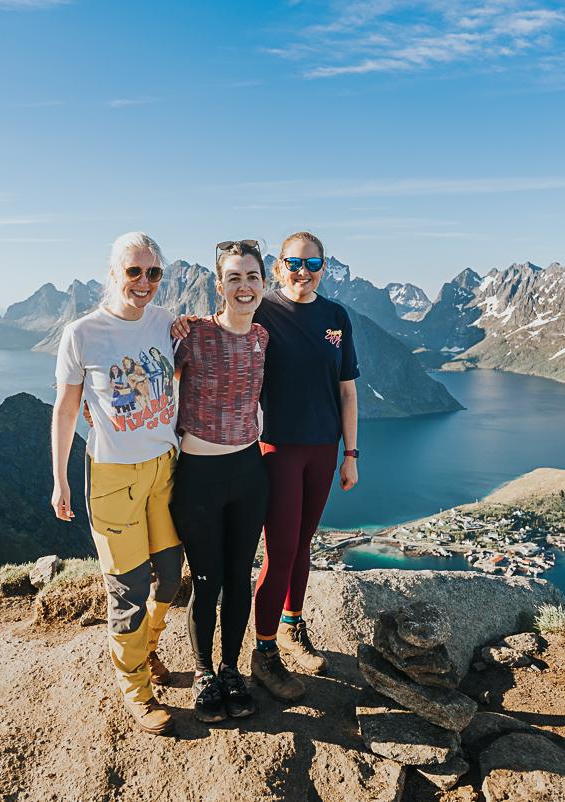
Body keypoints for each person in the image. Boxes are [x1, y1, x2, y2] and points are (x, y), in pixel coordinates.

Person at [51, 231, 183, 736]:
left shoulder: (167, 323)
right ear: (113, 274)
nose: (144, 282)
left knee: (170, 577)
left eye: (153, 273)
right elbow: (66, 410)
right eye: (134, 271)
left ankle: (147, 651)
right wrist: (59, 478)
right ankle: (135, 688)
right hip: (111, 478)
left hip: (163, 470)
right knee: (128, 590)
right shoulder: (82, 334)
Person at [249, 231, 359, 701]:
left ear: (324, 268)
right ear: (278, 266)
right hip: (276, 447)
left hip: (323, 448)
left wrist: (350, 454)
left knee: (303, 543)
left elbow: (347, 390)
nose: (304, 272)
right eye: (295, 263)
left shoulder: (336, 316)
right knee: (280, 547)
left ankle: (293, 625)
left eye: (313, 265)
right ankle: (264, 650)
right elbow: (222, 328)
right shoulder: (261, 309)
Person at [169, 239, 269, 723]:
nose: (244, 286)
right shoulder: (191, 335)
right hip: (200, 475)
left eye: (252, 277)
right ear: (219, 284)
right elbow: (147, 380)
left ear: (263, 284)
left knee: (238, 579)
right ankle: (204, 672)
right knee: (206, 581)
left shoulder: (262, 338)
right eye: (234, 277)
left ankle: (231, 669)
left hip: (249, 473)